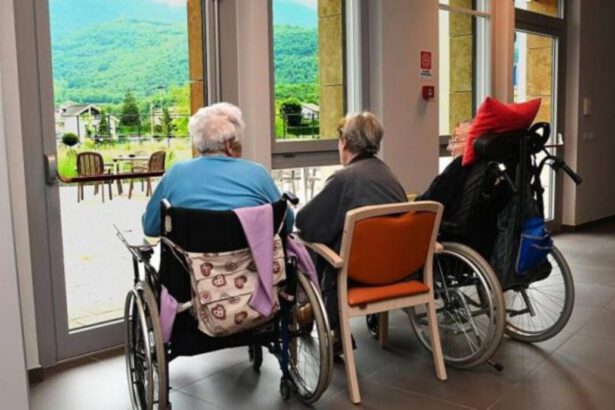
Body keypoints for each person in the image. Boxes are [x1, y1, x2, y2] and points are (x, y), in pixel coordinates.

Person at [295, 112, 407, 344]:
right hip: (396, 270)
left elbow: (305, 222)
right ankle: (314, 312)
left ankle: (323, 318)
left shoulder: (344, 179)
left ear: (344, 142)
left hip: (355, 275)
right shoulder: (389, 175)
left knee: (312, 241)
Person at [142, 102, 293, 236]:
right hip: (251, 260)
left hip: (190, 260)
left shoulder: (175, 174)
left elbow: (150, 227)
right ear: (229, 144)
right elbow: (287, 223)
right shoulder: (257, 174)